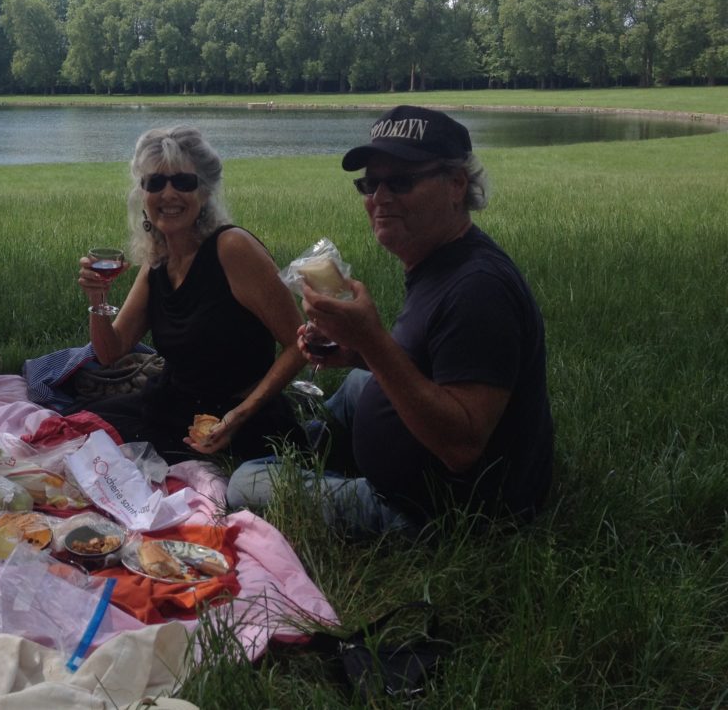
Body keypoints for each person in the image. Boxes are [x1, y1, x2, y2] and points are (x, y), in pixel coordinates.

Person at [228, 106, 554, 536]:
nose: (380, 198)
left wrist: (372, 341)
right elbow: (431, 363)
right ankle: (305, 441)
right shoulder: (442, 260)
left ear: (457, 185)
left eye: (401, 181)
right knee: (358, 384)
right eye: (370, 183)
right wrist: (357, 352)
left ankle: (312, 461)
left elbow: (462, 447)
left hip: (439, 510)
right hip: (425, 468)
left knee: (245, 483)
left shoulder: (479, 289)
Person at [72, 125, 308, 462]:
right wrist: (97, 298)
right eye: (155, 182)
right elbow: (110, 352)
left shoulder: (232, 249)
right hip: (173, 405)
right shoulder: (158, 261)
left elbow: (298, 344)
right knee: (74, 430)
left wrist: (241, 414)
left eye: (183, 182)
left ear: (206, 191)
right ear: (143, 193)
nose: (168, 194)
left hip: (237, 419)